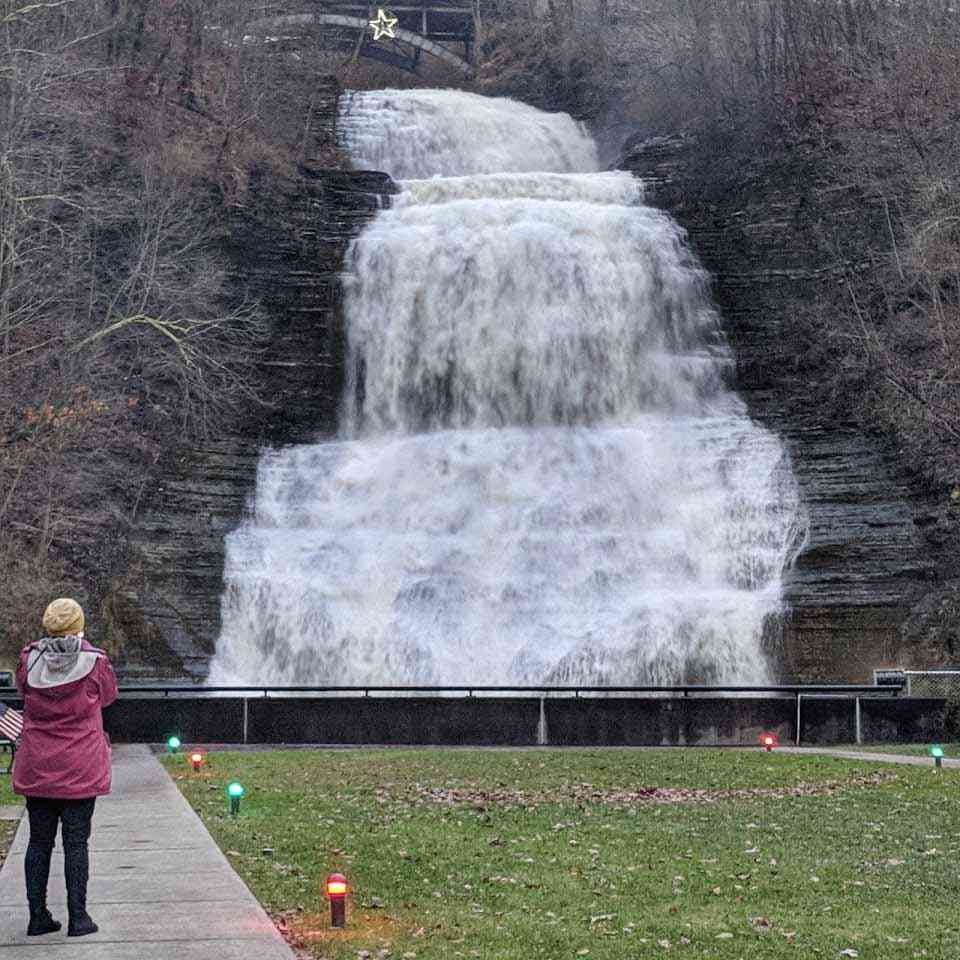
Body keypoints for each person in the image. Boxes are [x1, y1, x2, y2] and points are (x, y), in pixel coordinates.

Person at [13, 598, 118, 937]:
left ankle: (37, 916)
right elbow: (109, 697)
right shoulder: (96, 661)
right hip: (80, 765)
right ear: (79, 624)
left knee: (38, 842)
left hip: (38, 763)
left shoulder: (28, 660)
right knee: (76, 843)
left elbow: (22, 691)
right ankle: (79, 918)